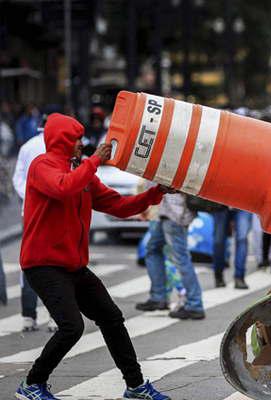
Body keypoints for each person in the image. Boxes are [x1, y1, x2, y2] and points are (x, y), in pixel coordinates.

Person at [16, 113, 171, 400]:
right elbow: (63, 187)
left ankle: (135, 386)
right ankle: (31, 384)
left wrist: (154, 194)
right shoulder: (43, 166)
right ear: (63, 140)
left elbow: (118, 204)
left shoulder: (81, 172)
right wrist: (94, 161)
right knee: (71, 326)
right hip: (44, 264)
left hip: (74, 265)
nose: (82, 143)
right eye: (77, 139)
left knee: (111, 318)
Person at [12, 116, 58, 332]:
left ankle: (28, 316)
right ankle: (54, 316)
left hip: (29, 213)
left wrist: (29, 196)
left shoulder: (27, 146)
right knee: (55, 264)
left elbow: (18, 178)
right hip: (54, 214)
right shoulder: (58, 149)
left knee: (29, 263)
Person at [136, 193, 206, 320]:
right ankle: (158, 297)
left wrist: (146, 206)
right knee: (153, 250)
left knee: (181, 258)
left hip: (174, 213)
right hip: (167, 212)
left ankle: (195, 305)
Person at [213, 208, 253, 289]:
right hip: (221, 204)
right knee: (218, 241)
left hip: (243, 204)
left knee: (242, 239)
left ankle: (239, 277)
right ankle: (218, 274)